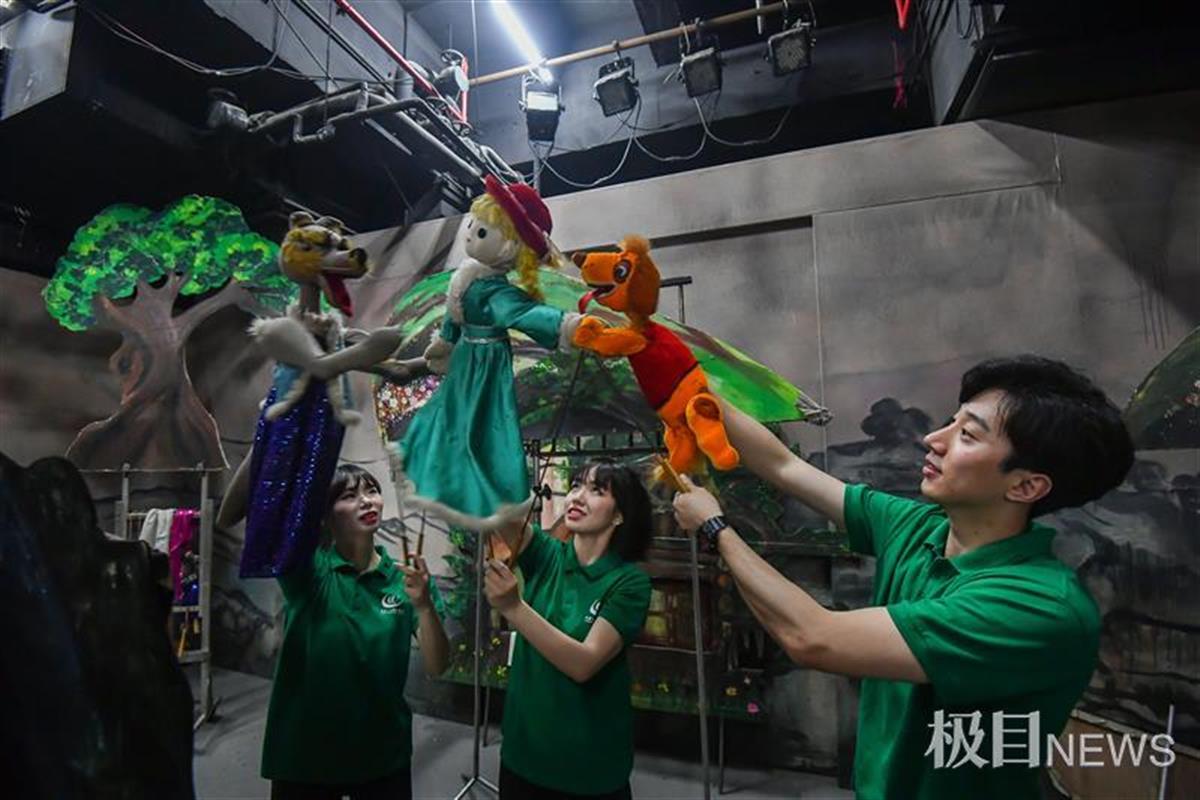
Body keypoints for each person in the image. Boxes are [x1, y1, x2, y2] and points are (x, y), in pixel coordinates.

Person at [671, 355, 1134, 800]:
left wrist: (715, 528)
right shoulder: (920, 528)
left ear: (1026, 485)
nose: (934, 438)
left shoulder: (1039, 606)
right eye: (951, 421)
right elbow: (782, 465)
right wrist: (679, 378)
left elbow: (812, 636)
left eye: (967, 435)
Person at [262, 464, 449, 800]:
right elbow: (269, 507)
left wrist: (423, 605)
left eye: (372, 491)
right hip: (307, 756)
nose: (366, 501)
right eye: (349, 495)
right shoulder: (308, 572)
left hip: (382, 754)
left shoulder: (406, 580)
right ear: (325, 516)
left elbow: (438, 666)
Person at [484, 458, 653, 799]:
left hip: (588, 769)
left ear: (620, 515)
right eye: (576, 485)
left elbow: (584, 663)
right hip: (523, 757)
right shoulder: (546, 554)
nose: (577, 496)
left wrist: (514, 608)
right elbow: (498, 508)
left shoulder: (629, 582)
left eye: (596, 490)